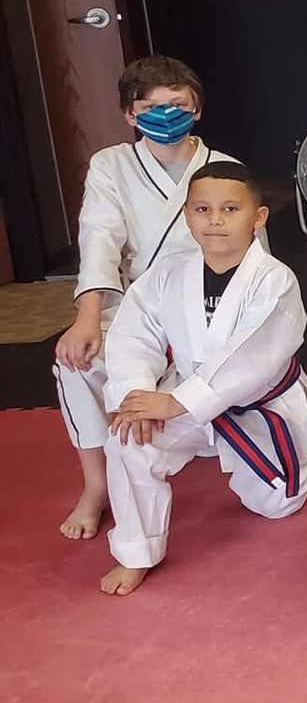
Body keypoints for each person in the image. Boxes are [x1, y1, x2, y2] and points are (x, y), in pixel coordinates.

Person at [96, 162, 307, 596]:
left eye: (230, 209)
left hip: (257, 406)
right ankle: (137, 551)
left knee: (278, 505)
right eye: (202, 209)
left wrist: (178, 403)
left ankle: (290, 463)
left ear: (259, 217)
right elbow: (133, 334)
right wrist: (138, 394)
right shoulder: (168, 274)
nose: (215, 220)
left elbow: (253, 357)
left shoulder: (274, 281)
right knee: (126, 438)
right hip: (183, 397)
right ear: (187, 215)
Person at [52, 56, 239, 541]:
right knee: (76, 363)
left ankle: (222, 438)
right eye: (150, 106)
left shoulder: (224, 169)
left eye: (176, 104)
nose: (165, 114)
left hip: (208, 304)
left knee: (235, 361)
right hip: (137, 303)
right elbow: (100, 239)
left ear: (196, 108)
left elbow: (252, 257)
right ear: (130, 116)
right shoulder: (111, 165)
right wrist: (88, 316)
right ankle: (97, 486)